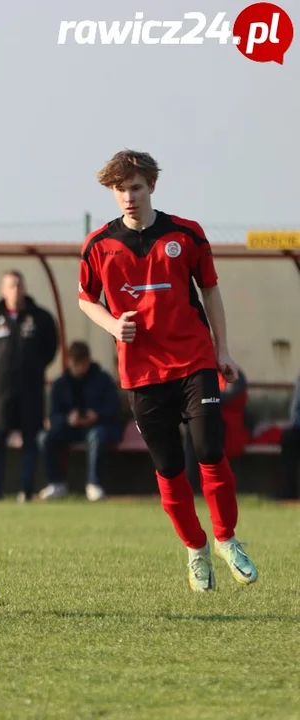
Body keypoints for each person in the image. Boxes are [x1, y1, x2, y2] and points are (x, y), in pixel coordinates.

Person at [77, 148, 258, 592]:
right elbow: (86, 299)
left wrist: (224, 351)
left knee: (210, 450)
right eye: (120, 189)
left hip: (194, 360)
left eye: (135, 187)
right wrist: (114, 326)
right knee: (170, 468)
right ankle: (196, 549)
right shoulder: (99, 245)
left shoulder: (187, 234)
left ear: (152, 186)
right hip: (142, 374)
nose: (128, 197)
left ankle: (226, 538)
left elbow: (210, 292)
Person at [0, 270, 58, 502]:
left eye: (19, 286)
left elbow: (50, 348)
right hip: (0, 391)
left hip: (30, 390)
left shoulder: (40, 317)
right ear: (2, 290)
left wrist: (33, 367)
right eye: (11, 286)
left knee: (31, 440)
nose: (15, 290)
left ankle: (26, 490)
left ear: (25, 288)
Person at [37, 341, 121, 502]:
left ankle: (93, 484)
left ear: (88, 361)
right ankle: (56, 483)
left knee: (96, 436)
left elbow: (114, 408)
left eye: (81, 364)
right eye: (75, 364)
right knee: (44, 438)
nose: (78, 368)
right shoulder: (60, 384)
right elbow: (54, 415)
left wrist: (97, 415)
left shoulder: (103, 380)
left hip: (97, 427)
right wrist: (68, 419)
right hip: (70, 429)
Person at [183, 369, 250, 491]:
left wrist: (205, 397)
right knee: (193, 429)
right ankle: (191, 482)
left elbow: (229, 398)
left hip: (229, 426)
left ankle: (208, 485)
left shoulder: (232, 373)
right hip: (207, 421)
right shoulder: (200, 373)